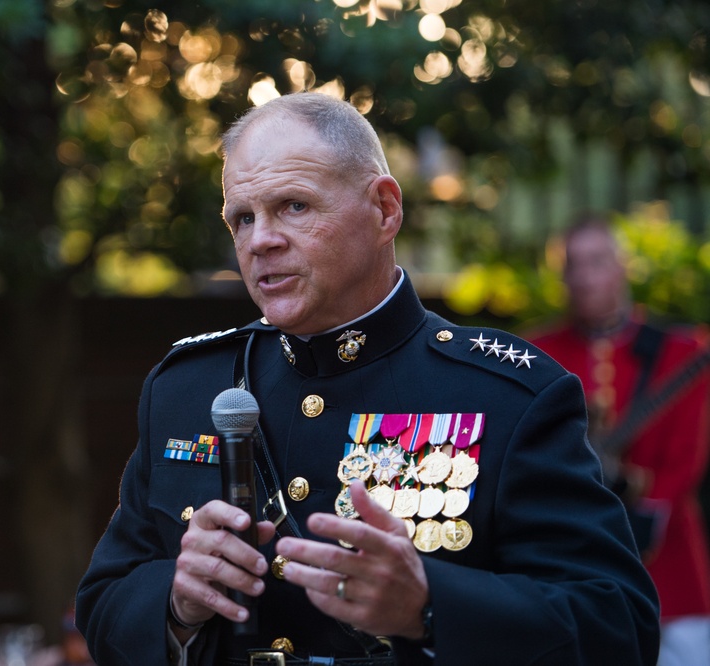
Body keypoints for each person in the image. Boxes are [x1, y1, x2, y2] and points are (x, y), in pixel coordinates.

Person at [75, 92, 661, 665]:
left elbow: (619, 625)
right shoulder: (187, 388)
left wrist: (430, 607)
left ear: (384, 210)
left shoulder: (506, 394)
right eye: (243, 217)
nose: (260, 241)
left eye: (294, 206)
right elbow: (102, 604)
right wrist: (177, 603)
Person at [527, 216, 710, 666]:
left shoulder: (679, 353)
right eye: (574, 266)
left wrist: (653, 508)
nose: (585, 277)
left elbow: (686, 455)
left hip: (667, 556)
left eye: (597, 262)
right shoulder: (538, 353)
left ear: (621, 267)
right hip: (576, 553)